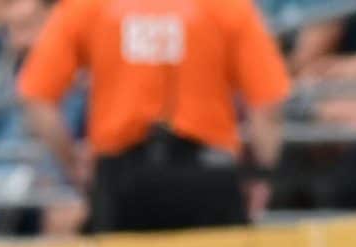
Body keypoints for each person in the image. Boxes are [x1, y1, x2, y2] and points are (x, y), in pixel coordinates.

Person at [18, 0, 289, 232]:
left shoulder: (89, 6)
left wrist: (73, 166)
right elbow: (267, 107)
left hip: (121, 179)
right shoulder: (226, 6)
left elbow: (37, 98)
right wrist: (262, 176)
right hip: (208, 174)